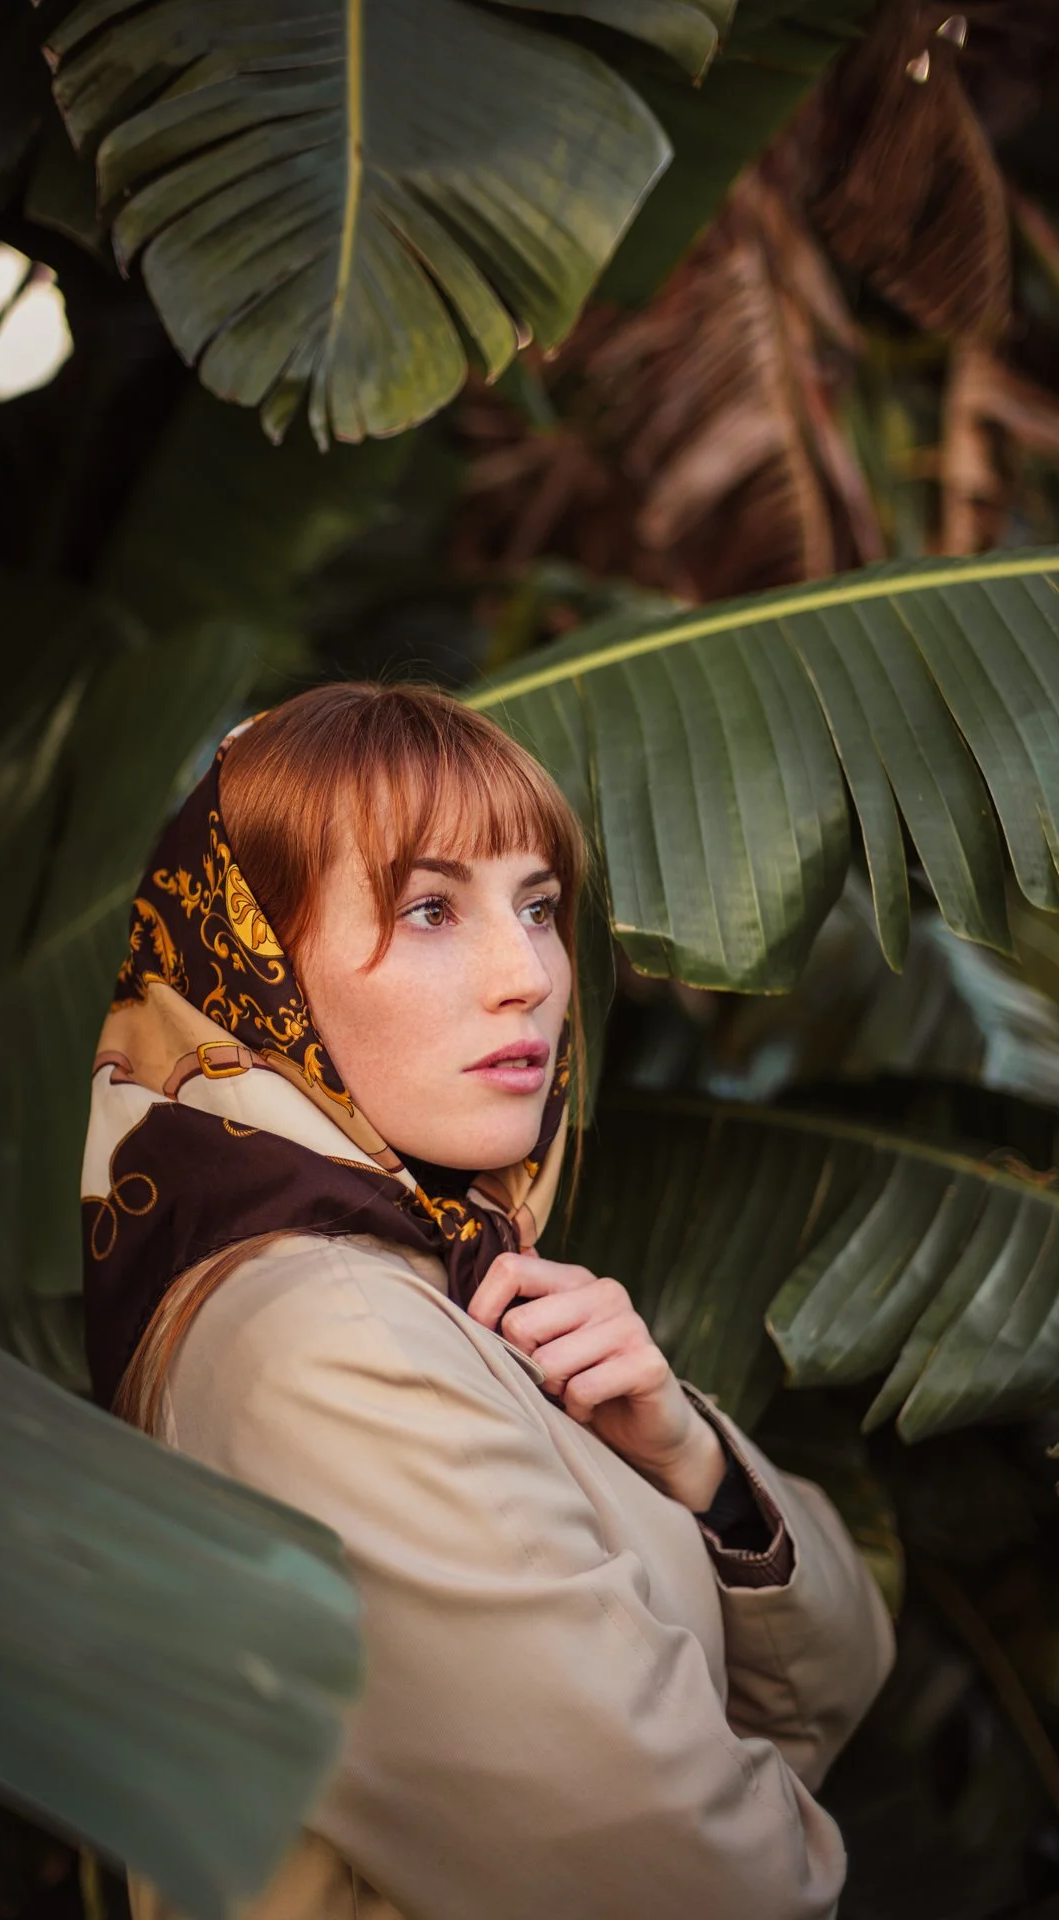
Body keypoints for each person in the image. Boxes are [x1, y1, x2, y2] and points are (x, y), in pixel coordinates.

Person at [81, 682, 894, 1920]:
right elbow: (706, 1883)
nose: (526, 976)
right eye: (426, 909)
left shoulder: (429, 1283)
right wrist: (739, 1784)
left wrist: (692, 1460)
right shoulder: (327, 1345)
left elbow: (846, 1668)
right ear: (253, 971)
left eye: (538, 906)